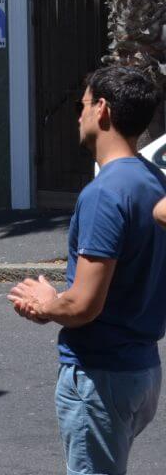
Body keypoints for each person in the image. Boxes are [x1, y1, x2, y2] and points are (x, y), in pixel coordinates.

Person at [10, 66, 166, 475]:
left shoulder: (105, 193)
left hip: (101, 373)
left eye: (81, 106)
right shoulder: (154, 180)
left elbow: (84, 306)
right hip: (141, 369)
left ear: (102, 110)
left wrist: (46, 303)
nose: (78, 116)